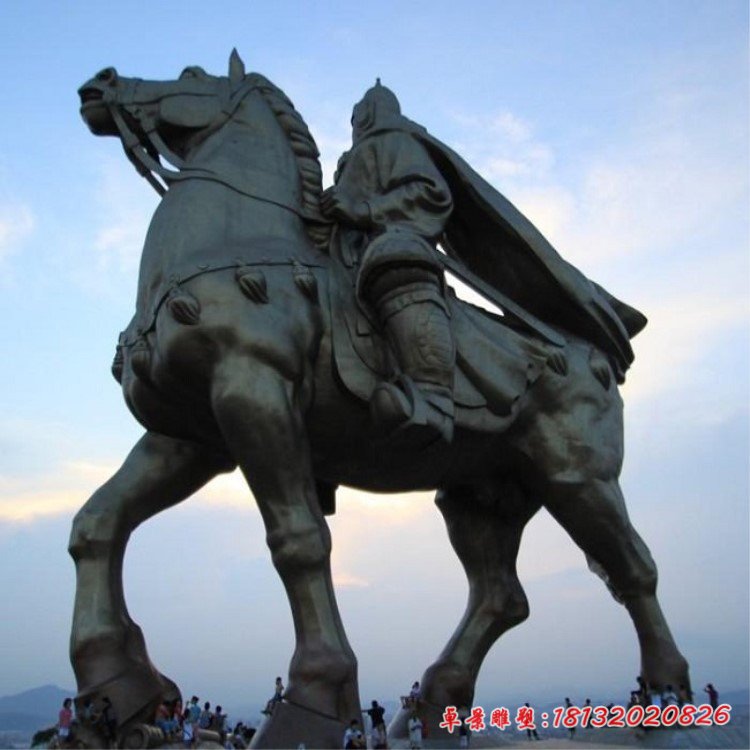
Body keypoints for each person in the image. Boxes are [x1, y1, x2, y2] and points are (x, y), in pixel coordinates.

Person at [321, 81, 456, 444]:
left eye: (358, 114)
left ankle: (432, 395)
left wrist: (366, 210)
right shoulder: (351, 159)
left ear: (370, 112)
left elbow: (431, 193)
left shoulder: (394, 140)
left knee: (393, 258)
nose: (355, 123)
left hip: (390, 240)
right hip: (344, 251)